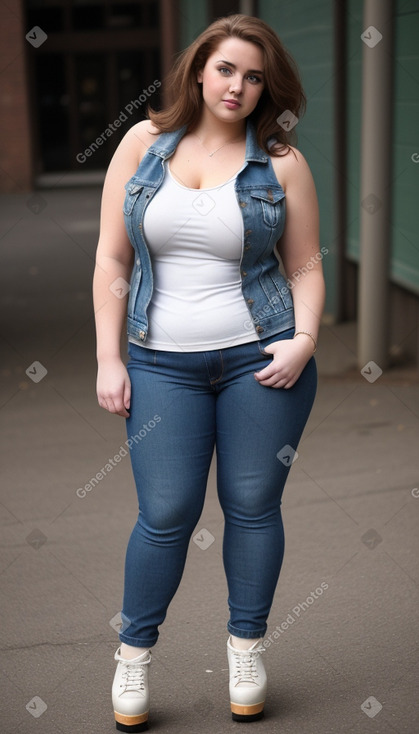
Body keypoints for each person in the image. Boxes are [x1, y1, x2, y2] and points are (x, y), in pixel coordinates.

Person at [93, 13, 325, 732]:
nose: (238, 86)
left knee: (252, 505)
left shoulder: (280, 160)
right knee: (165, 514)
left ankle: (246, 649)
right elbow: (110, 260)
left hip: (262, 359)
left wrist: (304, 340)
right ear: (198, 70)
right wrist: (108, 357)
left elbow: (305, 266)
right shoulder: (142, 144)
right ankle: (133, 657)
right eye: (226, 69)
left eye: (254, 76)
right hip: (161, 362)